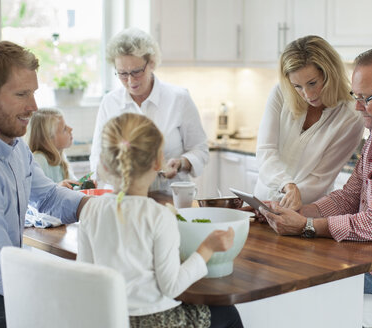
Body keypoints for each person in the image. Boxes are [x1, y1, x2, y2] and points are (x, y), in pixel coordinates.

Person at [259, 47, 372, 297]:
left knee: (288, 275)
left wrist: (307, 226)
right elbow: (348, 197)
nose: (357, 107)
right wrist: (294, 213)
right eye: (355, 95)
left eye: (366, 98)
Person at [0, 40, 89, 327]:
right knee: (70, 314)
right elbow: (0, 274)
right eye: (22, 94)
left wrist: (92, 206)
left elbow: (49, 197)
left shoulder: (14, 145)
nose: (33, 106)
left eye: (34, 93)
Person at [78, 113, 243, 328]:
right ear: (158, 162)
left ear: (106, 164)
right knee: (227, 312)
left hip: (108, 320)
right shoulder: (159, 215)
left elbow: (85, 277)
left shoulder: (90, 209)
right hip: (157, 322)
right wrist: (207, 248)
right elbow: (172, 287)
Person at [89, 27, 209, 193]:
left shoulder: (179, 98)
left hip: (171, 195)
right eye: (122, 73)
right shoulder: (110, 102)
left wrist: (181, 162)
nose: (130, 80)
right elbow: (98, 154)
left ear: (151, 63)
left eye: (136, 72)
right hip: (123, 197)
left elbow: (200, 149)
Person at [254, 35, 364, 210]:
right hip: (262, 202)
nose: (307, 94)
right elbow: (265, 151)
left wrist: (290, 197)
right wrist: (286, 185)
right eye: (297, 86)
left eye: (312, 83)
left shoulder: (351, 116)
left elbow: (320, 178)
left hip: (307, 211)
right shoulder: (281, 93)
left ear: (330, 74)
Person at [27, 108, 79, 189]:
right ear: (48, 139)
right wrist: (58, 188)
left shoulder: (60, 158)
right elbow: (38, 195)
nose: (70, 129)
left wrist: (83, 184)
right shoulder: (39, 159)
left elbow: (74, 184)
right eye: (64, 129)